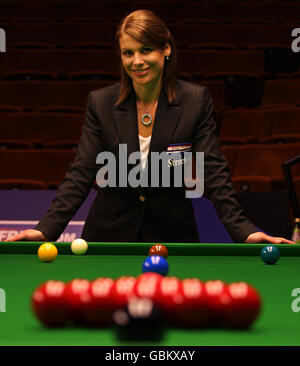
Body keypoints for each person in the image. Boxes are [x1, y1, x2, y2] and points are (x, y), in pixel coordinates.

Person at [6, 10, 294, 244]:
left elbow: (213, 172)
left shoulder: (195, 101)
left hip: (171, 237)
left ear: (166, 49)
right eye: (128, 53)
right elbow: (81, 172)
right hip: (109, 237)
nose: (137, 61)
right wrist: (45, 229)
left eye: (146, 50)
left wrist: (246, 232)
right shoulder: (101, 103)